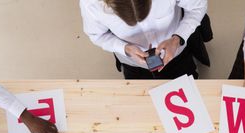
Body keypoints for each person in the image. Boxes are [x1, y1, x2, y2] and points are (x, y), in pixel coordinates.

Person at [80, 0, 208, 79]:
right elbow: (97, 35)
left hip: (177, 52)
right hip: (132, 62)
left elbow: (197, 8)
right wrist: (124, 48)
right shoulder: (90, 4)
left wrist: (177, 38)